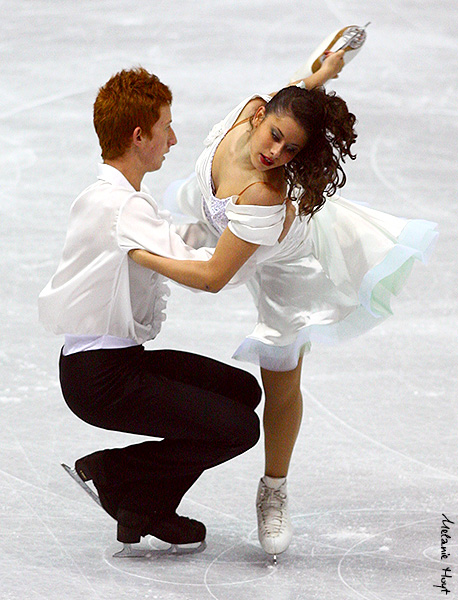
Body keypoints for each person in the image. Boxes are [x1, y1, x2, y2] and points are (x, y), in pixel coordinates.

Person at [127, 52, 438, 558]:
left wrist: (138, 253)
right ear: (257, 115)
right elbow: (288, 88)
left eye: (291, 149)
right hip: (227, 234)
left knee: (281, 372)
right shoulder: (246, 108)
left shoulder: (266, 196)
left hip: (290, 265)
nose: (276, 151)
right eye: (273, 134)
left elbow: (211, 279)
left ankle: (274, 490)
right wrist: (319, 75)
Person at [38, 67, 263, 554]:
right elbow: (205, 273)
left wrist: (225, 219)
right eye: (166, 128)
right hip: (102, 378)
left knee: (241, 391)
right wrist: (258, 235)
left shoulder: (115, 199)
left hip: (110, 364)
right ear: (139, 136)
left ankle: (144, 506)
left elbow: (177, 240)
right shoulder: (122, 208)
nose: (174, 138)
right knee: (240, 428)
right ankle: (114, 472)